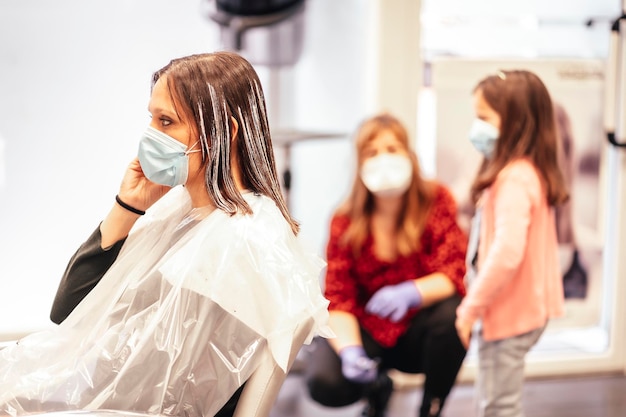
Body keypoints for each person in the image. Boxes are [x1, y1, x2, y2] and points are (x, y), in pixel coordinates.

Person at [0, 51, 332, 417]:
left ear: (225, 131)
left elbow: (162, 389)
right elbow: (69, 312)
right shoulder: (182, 216)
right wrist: (128, 207)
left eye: (167, 121)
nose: (150, 136)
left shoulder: (242, 241)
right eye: (152, 119)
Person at [305, 113, 468, 417]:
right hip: (367, 329)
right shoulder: (345, 219)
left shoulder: (437, 200)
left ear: (409, 154)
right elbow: (338, 298)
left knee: (454, 312)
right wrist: (351, 352)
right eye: (372, 152)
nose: (384, 160)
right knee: (325, 384)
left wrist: (411, 293)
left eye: (392, 149)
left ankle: (431, 407)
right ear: (360, 163)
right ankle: (376, 385)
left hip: (418, 332)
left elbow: (454, 271)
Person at [455, 70, 569, 417]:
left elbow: (506, 253)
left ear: (516, 122)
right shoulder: (525, 171)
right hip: (518, 309)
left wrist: (470, 308)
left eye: (483, 117)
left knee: (499, 406)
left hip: (507, 312)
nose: (477, 127)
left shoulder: (515, 179)